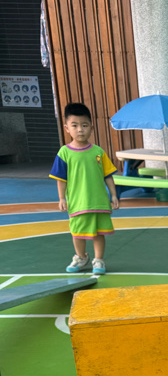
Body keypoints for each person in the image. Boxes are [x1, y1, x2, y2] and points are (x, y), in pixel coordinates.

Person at [50, 102, 118, 276]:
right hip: (77, 202)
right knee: (77, 233)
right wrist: (62, 198)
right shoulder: (64, 153)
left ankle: (99, 259)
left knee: (98, 233)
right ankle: (81, 257)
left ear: (91, 128)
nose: (80, 129)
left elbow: (108, 175)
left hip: (99, 202)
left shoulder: (98, 152)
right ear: (67, 128)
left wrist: (113, 195)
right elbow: (61, 179)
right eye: (75, 125)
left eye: (84, 125)